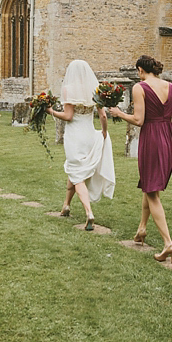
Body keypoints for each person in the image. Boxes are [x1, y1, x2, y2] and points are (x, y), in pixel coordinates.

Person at [109, 55, 172, 263]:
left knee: (152, 191)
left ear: (140, 70)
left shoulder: (140, 87)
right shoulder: (170, 87)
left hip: (153, 139)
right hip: (170, 140)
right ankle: (142, 229)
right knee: (150, 186)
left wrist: (118, 113)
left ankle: (168, 243)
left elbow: (139, 120)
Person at [46, 60, 115, 231]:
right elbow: (103, 116)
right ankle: (66, 206)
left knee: (77, 175)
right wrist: (104, 132)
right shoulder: (94, 89)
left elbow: (68, 116)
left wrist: (51, 111)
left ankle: (89, 213)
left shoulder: (68, 89)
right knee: (75, 169)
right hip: (90, 134)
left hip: (75, 136)